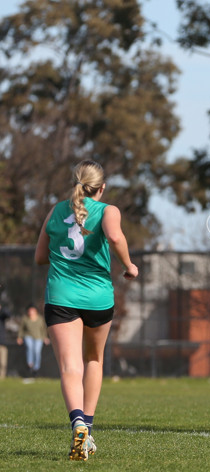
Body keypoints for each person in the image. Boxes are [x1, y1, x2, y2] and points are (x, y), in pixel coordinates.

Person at [34, 159, 138, 461]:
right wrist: (129, 266)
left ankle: (77, 422)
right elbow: (116, 236)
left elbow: (41, 257)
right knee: (94, 358)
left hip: (61, 296)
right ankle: (88, 430)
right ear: (102, 188)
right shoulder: (108, 210)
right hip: (98, 299)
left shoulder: (55, 210)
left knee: (70, 366)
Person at [16, 304, 49, 377]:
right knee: (30, 347)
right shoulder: (25, 318)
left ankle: (36, 368)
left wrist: (45, 337)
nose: (31, 312)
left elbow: (43, 329)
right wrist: (19, 337)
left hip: (38, 337)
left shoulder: (40, 319)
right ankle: (30, 363)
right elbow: (21, 329)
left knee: (37, 351)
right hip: (28, 336)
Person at [0, 302, 10, 379]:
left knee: (3, 363)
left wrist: (1, 309)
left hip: (1, 342)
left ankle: (2, 377)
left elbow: (8, 314)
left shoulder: (2, 315)